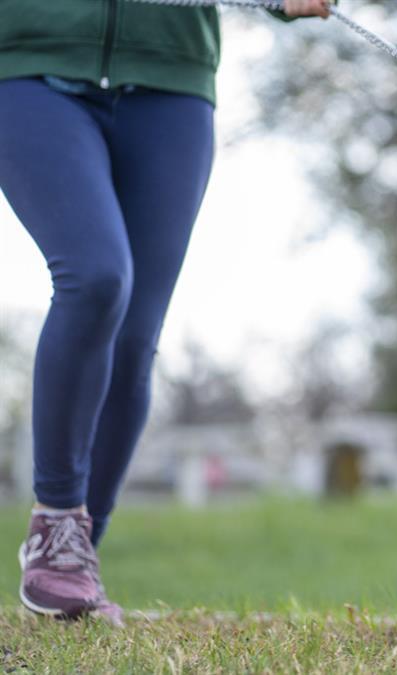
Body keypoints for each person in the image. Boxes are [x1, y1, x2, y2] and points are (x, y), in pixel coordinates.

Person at [0, 0, 332, 624]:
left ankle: (75, 565)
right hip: (29, 63)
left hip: (170, 82)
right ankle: (57, 523)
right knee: (96, 277)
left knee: (133, 338)